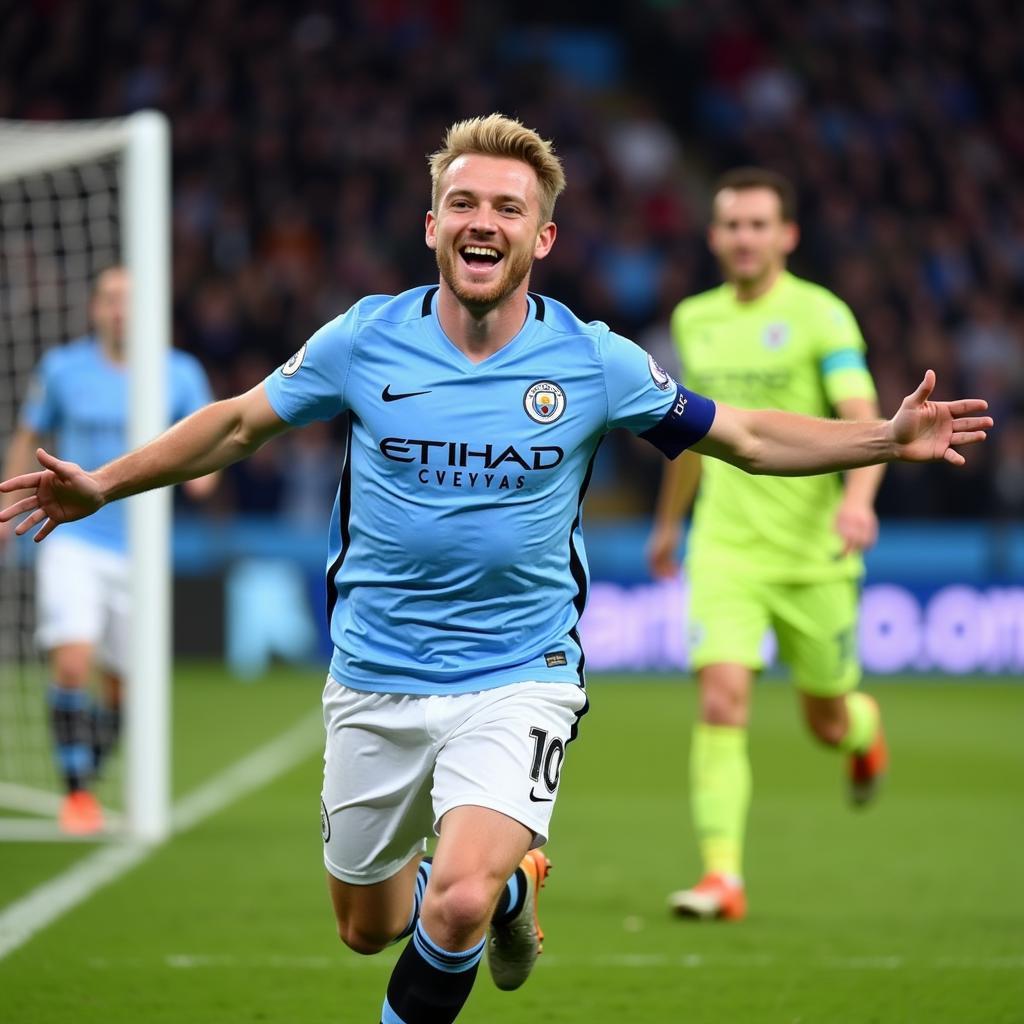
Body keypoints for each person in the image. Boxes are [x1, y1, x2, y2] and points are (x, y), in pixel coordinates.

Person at [0, 117, 990, 1024]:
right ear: (432, 225)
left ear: (541, 238)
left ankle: (490, 885)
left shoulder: (593, 361)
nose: (484, 222)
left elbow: (743, 435)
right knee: (365, 925)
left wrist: (880, 441)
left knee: (455, 895)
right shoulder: (362, 338)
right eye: (465, 204)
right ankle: (515, 884)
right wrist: (107, 483)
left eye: (508, 208)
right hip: (375, 675)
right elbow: (237, 422)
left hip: (520, 674)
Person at [646, 167, 890, 923]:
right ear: (714, 236)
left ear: (786, 235)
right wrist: (668, 523)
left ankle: (862, 729)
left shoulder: (822, 316)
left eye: (759, 224)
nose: (745, 238)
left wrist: (856, 503)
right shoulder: (695, 319)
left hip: (814, 551)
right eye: (732, 225)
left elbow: (865, 414)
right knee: (721, 698)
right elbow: (692, 434)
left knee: (824, 719)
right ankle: (723, 877)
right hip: (725, 547)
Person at [0, 266, 216, 835]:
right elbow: (30, 432)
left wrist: (206, 477)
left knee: (121, 685)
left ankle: (84, 775)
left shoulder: (180, 373)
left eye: (130, 300)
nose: (119, 310)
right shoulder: (62, 369)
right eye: (109, 299)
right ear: (94, 308)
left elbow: (209, 443)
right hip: (70, 538)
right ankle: (75, 794)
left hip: (141, 550)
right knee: (72, 659)